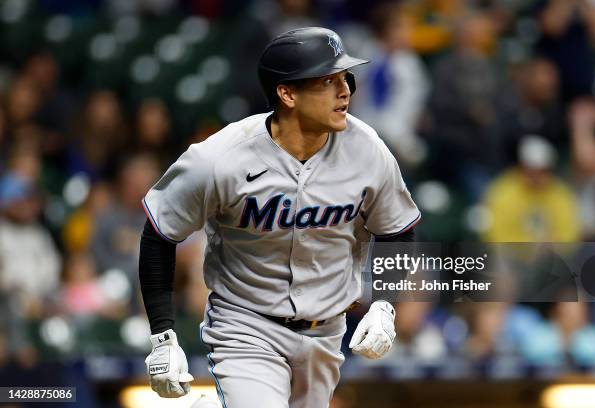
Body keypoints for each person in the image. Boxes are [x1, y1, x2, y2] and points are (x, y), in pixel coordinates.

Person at [138, 27, 420, 407]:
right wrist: (162, 336)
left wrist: (385, 304)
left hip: (326, 332)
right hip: (245, 326)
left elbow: (398, 229)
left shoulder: (368, 150)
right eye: (327, 81)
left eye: (345, 78)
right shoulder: (220, 158)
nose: (345, 91)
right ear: (287, 94)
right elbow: (159, 232)